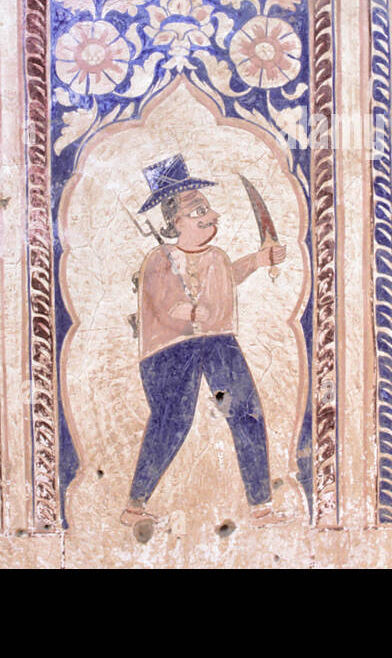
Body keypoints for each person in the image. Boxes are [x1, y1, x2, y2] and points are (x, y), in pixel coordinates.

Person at [119, 155, 288, 529]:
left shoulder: (216, 257)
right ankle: (134, 506)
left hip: (217, 344)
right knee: (172, 420)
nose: (210, 215)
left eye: (207, 207)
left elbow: (231, 273)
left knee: (245, 411)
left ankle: (261, 507)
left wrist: (261, 259)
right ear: (173, 222)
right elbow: (159, 302)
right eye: (197, 210)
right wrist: (187, 313)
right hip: (169, 351)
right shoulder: (158, 258)